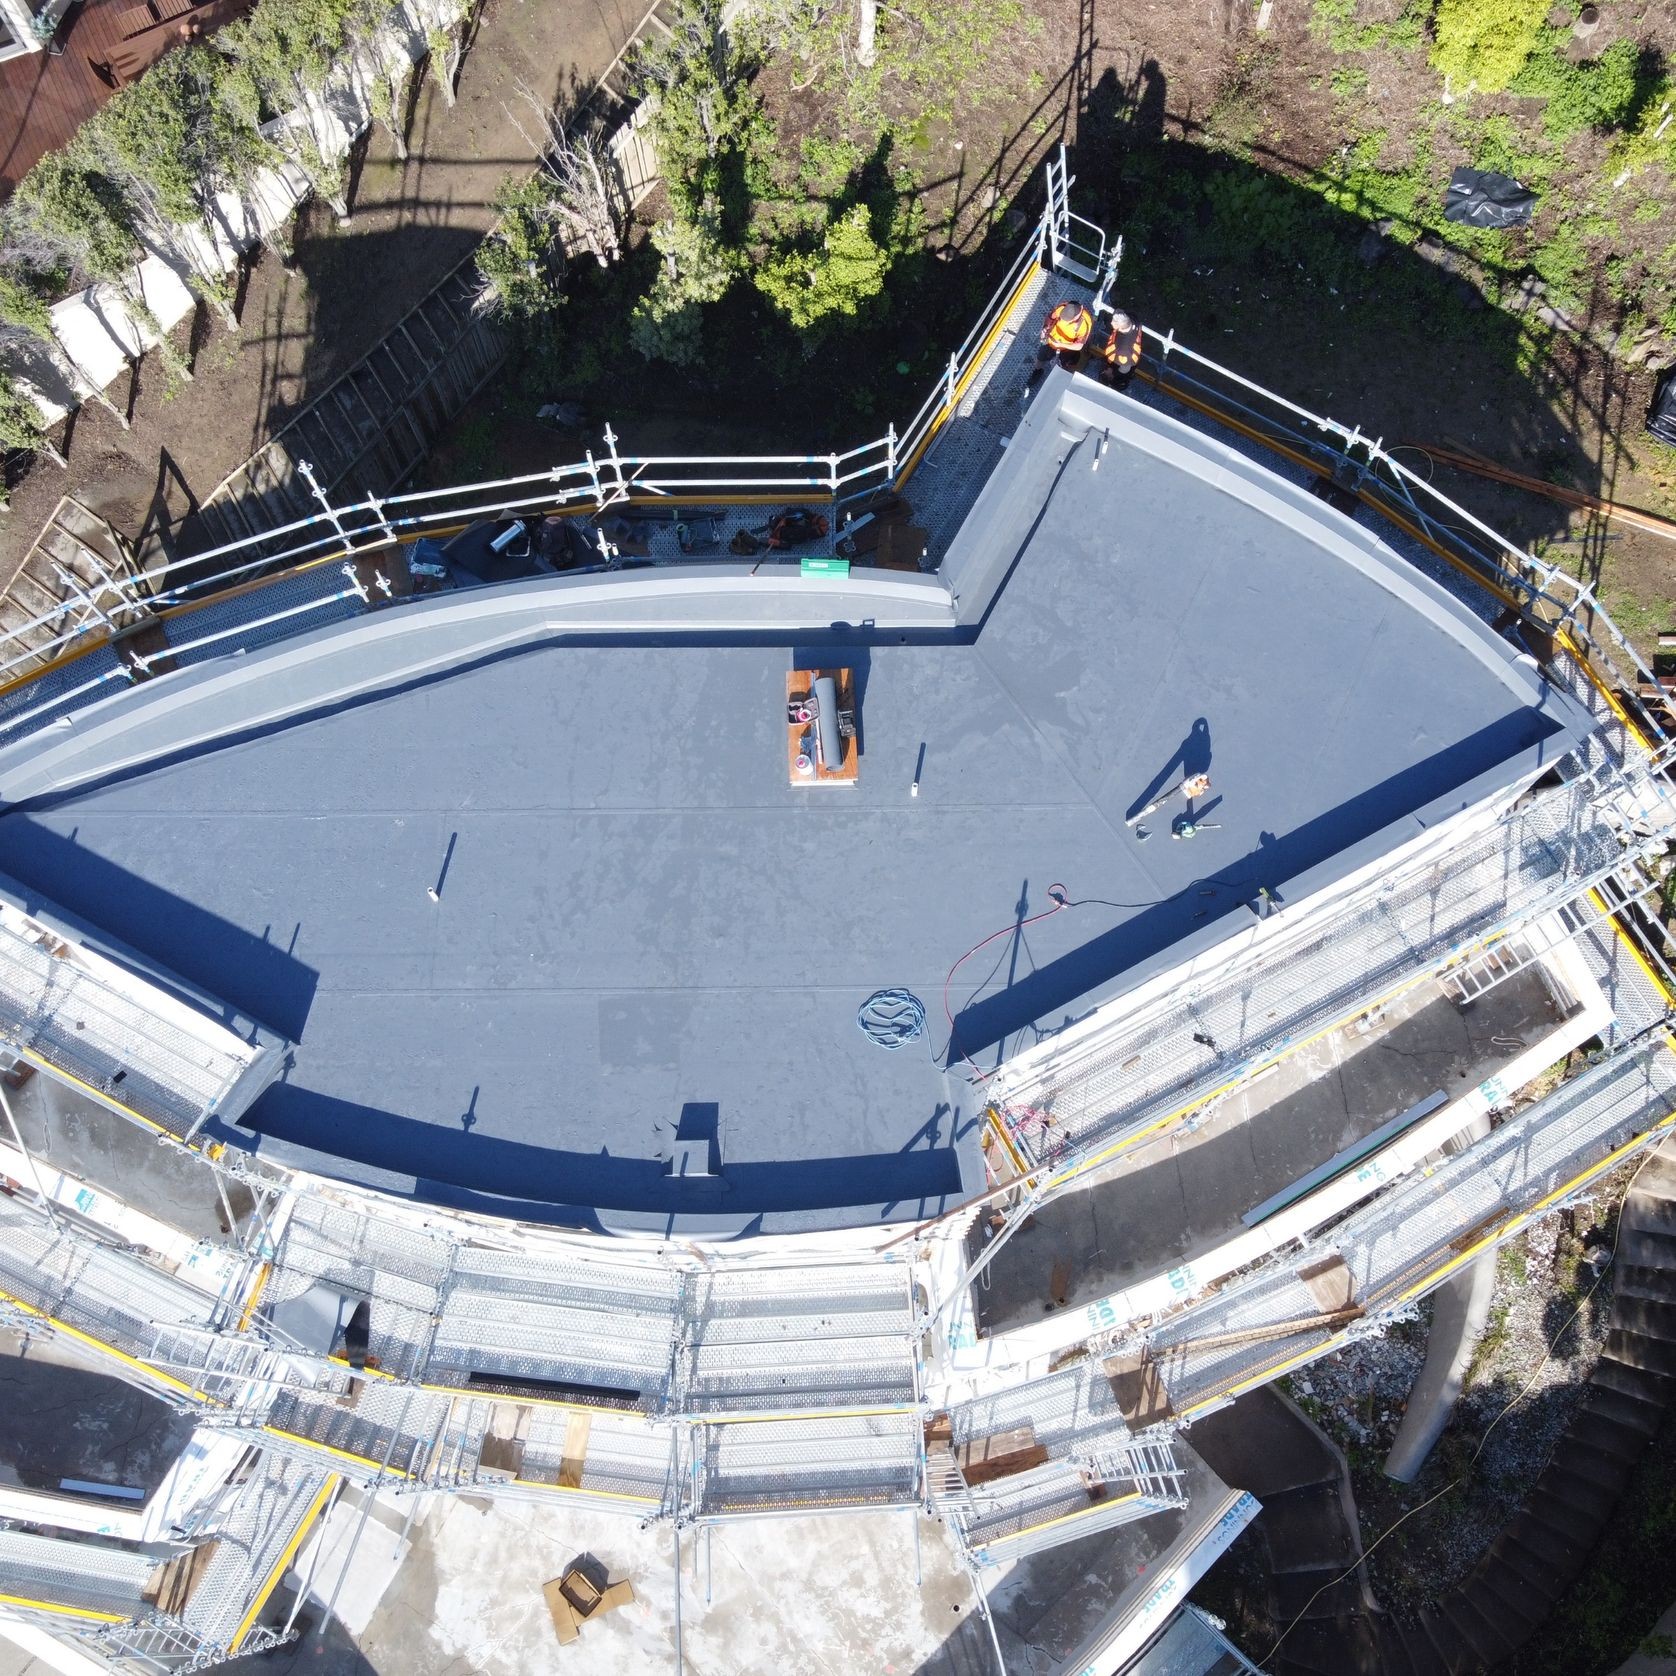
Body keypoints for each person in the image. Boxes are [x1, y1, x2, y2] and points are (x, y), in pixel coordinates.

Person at [1036, 300, 1093, 369]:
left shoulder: (1085, 323)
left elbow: (1079, 346)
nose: (1064, 320)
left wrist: (1061, 345)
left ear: (1076, 316)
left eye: (1068, 319)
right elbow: (1050, 318)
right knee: (1041, 357)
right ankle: (1037, 370)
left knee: (1065, 365)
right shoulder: (1062, 307)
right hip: (1050, 341)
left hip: (1067, 349)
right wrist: (1045, 327)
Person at [1100, 310, 1144, 388]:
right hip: (1131, 323)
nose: (1104, 370)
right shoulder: (1123, 358)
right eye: (1105, 373)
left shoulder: (1122, 356)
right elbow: (1125, 367)